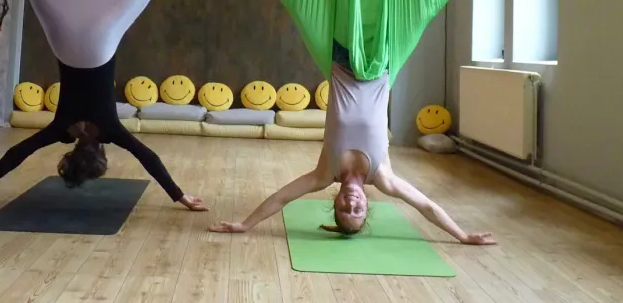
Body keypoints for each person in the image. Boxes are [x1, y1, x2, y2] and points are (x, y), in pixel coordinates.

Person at [209, 42, 495, 244]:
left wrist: (245, 224)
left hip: (342, 60)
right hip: (380, 63)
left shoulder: (324, 173)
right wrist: (463, 235)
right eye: (357, 211)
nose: (351, 204)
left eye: (344, 209)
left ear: (334, 202)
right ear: (367, 205)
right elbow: (427, 206)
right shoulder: (383, 177)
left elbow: (281, 198)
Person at [0, 58, 207, 212]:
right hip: (67, 50)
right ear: (71, 153)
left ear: (102, 152)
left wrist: (180, 196)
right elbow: (17, 153)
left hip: (102, 48)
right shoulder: (62, 128)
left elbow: (149, 158)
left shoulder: (110, 129)